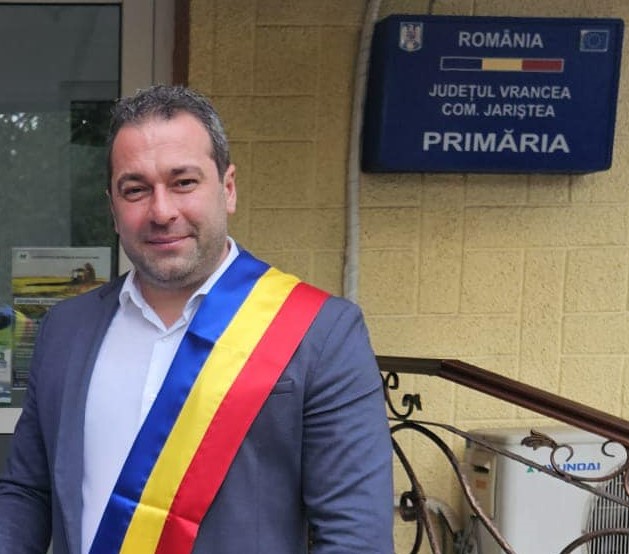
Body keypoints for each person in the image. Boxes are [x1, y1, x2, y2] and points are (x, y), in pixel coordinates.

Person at [0, 85, 394, 554]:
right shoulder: (65, 329)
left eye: (183, 182)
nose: (162, 211)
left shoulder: (322, 333)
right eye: (135, 189)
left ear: (228, 189)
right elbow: (27, 492)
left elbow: (355, 537)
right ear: (113, 209)